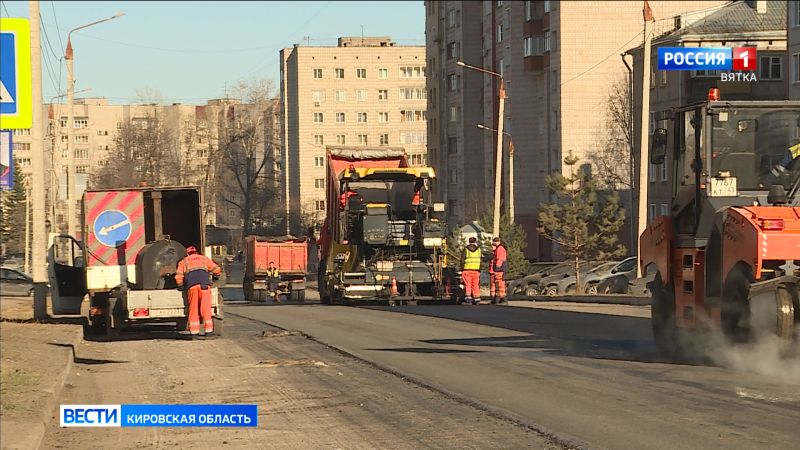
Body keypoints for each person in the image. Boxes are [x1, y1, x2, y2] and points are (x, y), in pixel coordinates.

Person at [175, 246, 222, 337]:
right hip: (204, 286)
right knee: (205, 308)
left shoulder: (184, 261)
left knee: (193, 309)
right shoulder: (204, 259)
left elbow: (178, 276)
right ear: (196, 252)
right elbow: (216, 269)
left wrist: (180, 286)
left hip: (192, 287)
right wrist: (216, 276)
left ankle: (194, 333)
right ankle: (208, 331)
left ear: (187, 253)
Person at [460, 237, 481, 305]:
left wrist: (462, 268)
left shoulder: (466, 249)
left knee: (468, 284)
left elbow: (462, 260)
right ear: (475, 241)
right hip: (476, 270)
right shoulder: (479, 249)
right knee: (475, 285)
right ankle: (477, 298)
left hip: (467, 269)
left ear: (469, 241)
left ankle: (468, 298)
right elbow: (480, 259)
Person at [489, 237, 508, 305]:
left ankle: (503, 299)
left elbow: (499, 260)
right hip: (500, 270)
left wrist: (497, 268)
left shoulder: (500, 249)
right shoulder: (500, 248)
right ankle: (498, 299)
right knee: (498, 285)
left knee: (500, 285)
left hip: (500, 270)